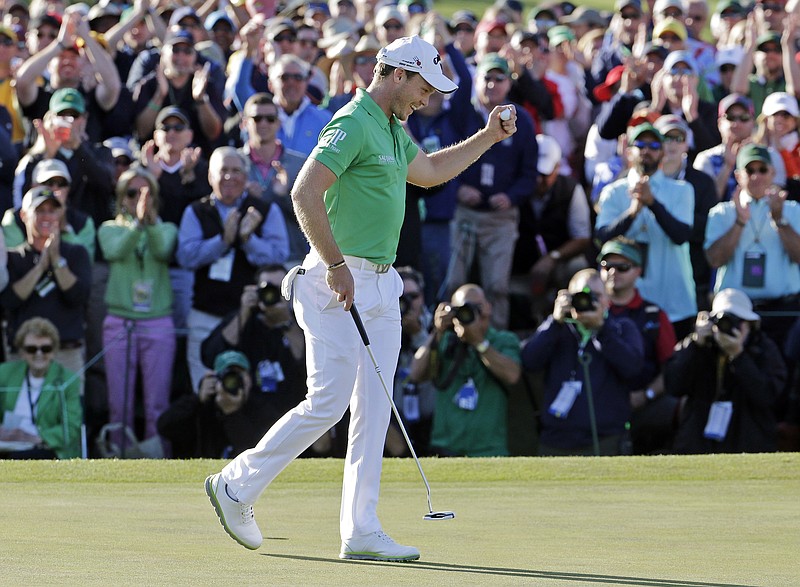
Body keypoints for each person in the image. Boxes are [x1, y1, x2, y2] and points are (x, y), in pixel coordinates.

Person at [204, 34, 518, 561]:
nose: (427, 99)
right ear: (397, 74)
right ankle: (236, 484)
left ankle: (360, 527)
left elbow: (432, 173)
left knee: (375, 407)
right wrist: (334, 265)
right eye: (423, 87)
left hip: (380, 283)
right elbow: (304, 193)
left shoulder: (395, 128)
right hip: (334, 282)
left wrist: (486, 137)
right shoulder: (352, 122)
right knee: (327, 403)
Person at [177, 146, 289, 392]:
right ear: (210, 176)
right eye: (223, 170)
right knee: (205, 390)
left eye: (236, 170)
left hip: (250, 320)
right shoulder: (196, 211)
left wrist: (249, 240)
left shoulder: (264, 209)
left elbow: (280, 256)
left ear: (246, 176)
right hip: (205, 317)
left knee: (248, 392)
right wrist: (222, 242)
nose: (229, 177)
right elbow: (185, 257)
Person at [445, 52, 538, 330]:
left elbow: (529, 174)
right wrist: (458, 188)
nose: (493, 85)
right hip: (465, 212)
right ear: (478, 80)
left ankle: (495, 340)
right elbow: (441, 155)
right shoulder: (463, 111)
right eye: (487, 77)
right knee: (453, 282)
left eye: (500, 79)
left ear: (509, 85)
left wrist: (510, 196)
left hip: (501, 217)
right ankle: (448, 339)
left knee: (497, 286)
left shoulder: (521, 121)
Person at [98, 167, 178, 458]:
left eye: (146, 194)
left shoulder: (166, 228)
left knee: (157, 402)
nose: (138, 200)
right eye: (132, 193)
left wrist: (149, 222)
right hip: (120, 321)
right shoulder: (109, 228)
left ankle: (156, 458)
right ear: (121, 198)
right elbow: (115, 252)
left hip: (157, 322)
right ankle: (118, 456)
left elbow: (163, 251)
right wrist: (137, 226)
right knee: (120, 402)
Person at [521, 268, 644, 456]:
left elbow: (634, 369)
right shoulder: (558, 330)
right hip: (556, 441)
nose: (588, 301)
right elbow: (529, 361)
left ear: (607, 300)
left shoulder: (622, 328)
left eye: (596, 296)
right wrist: (554, 322)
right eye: (581, 296)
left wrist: (602, 331)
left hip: (606, 440)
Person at [193, 265, 307, 458]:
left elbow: (304, 362)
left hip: (285, 414)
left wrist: (286, 322)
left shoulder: (299, 322)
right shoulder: (245, 320)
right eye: (267, 288)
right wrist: (244, 310)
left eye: (280, 289)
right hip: (245, 412)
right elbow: (211, 355)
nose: (273, 295)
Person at [595, 122, 697, 339]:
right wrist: (632, 212)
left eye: (653, 146)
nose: (647, 151)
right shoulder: (613, 192)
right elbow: (601, 238)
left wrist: (652, 203)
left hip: (673, 301)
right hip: (626, 301)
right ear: (629, 150)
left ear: (662, 152)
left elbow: (681, 236)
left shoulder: (682, 190)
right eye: (640, 145)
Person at [666, 288, 786, 453]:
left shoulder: (764, 349)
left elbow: (767, 395)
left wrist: (738, 356)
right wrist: (696, 344)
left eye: (739, 321)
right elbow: (674, 385)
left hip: (748, 442)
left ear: (750, 324)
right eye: (723, 320)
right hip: (699, 442)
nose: (730, 327)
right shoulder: (700, 345)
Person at [704, 143, 800, 349]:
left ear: (773, 173)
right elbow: (714, 260)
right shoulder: (722, 213)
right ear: (738, 175)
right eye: (750, 170)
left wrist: (780, 219)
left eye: (762, 170)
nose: (756, 176)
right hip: (736, 311)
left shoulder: (792, 210)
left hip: (782, 311)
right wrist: (739, 222)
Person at [408, 283, 521, 457]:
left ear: (489, 308)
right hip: (445, 448)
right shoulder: (445, 340)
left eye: (477, 307)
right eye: (463, 309)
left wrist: (478, 342)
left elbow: (512, 375)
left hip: (489, 450)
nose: (471, 314)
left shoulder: (503, 340)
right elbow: (416, 374)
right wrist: (437, 333)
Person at [0, 187, 92, 378]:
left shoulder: (76, 253)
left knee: (69, 408)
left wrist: (56, 259)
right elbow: (8, 300)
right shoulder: (12, 257)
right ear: (24, 215)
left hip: (66, 354)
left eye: (52, 211)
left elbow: (79, 296)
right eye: (40, 211)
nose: (46, 217)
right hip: (23, 354)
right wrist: (40, 267)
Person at [599, 238, 679, 454]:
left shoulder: (654, 315)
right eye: (607, 266)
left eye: (622, 267)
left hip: (641, 405)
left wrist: (646, 395)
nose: (613, 272)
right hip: (597, 405)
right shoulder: (586, 312)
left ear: (637, 272)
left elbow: (669, 369)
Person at [0, 317, 82, 459]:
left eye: (46, 349)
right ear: (22, 352)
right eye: (31, 349)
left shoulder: (67, 380)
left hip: (45, 447)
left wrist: (35, 437)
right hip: (7, 445)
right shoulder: (5, 373)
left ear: (54, 351)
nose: (39, 354)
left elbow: (71, 429)